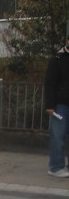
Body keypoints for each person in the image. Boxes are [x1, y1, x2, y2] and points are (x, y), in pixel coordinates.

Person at [45, 34, 69, 178]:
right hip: (61, 104)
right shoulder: (57, 59)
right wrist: (50, 105)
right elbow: (50, 83)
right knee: (58, 136)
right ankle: (56, 166)